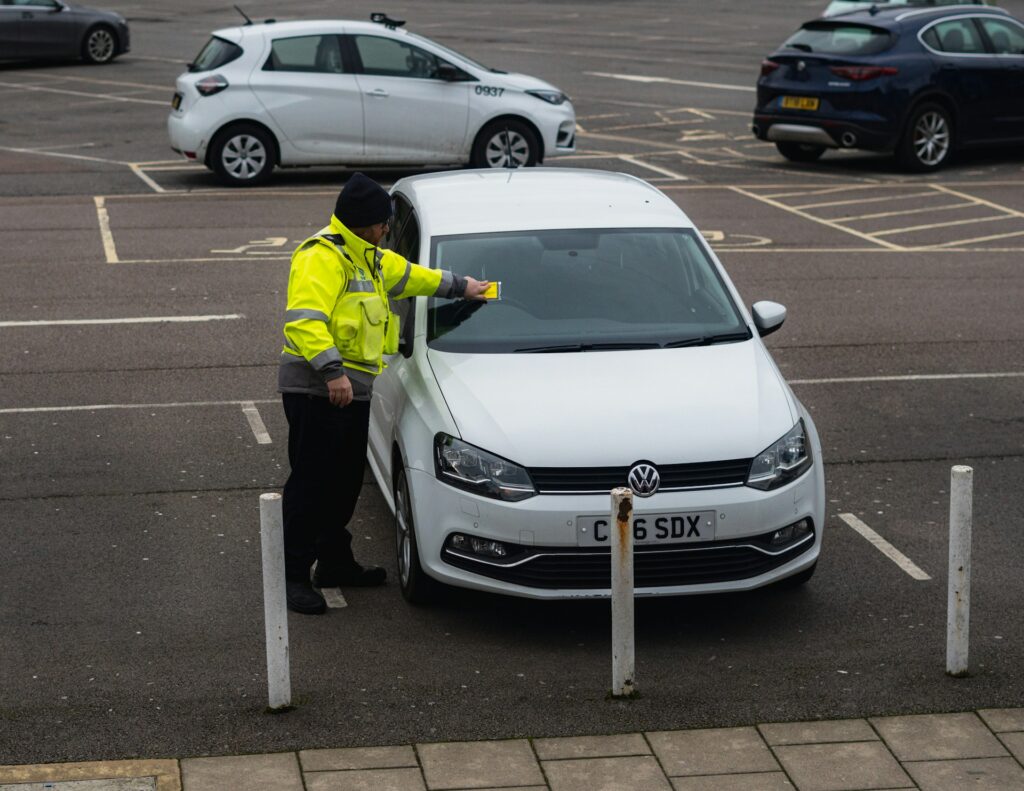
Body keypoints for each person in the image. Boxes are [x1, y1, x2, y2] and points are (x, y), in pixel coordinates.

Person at [278, 172, 489, 614]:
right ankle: (294, 576)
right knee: (312, 485)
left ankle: (335, 562)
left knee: (342, 484)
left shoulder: (370, 257)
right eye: (382, 223)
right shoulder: (322, 257)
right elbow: (304, 321)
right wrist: (331, 372)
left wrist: (463, 287)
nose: (387, 229)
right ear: (361, 224)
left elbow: (413, 276)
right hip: (317, 390)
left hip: (351, 391)